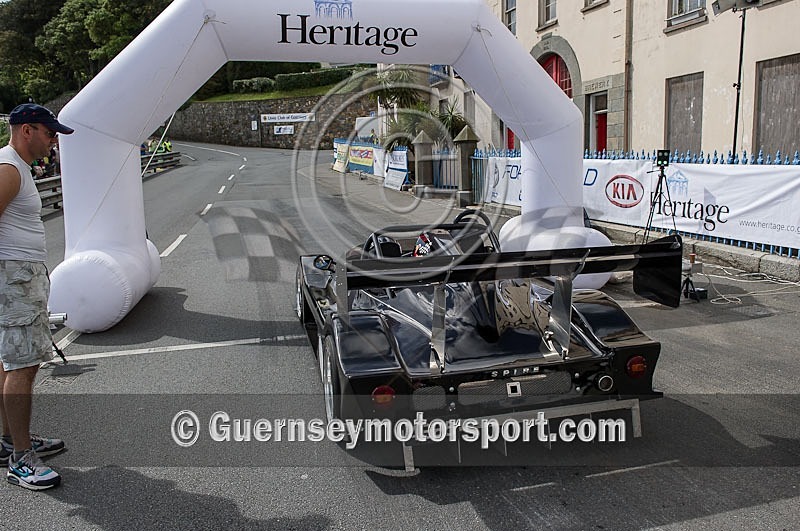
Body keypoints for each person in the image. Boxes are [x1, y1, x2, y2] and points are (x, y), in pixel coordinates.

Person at [0, 103, 73, 490]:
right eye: (49, 132)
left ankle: (10, 440)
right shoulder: (9, 169)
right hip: (15, 280)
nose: (53, 140)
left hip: (18, 279)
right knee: (23, 367)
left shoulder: (16, 166)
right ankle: (21, 459)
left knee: (9, 361)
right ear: (27, 130)